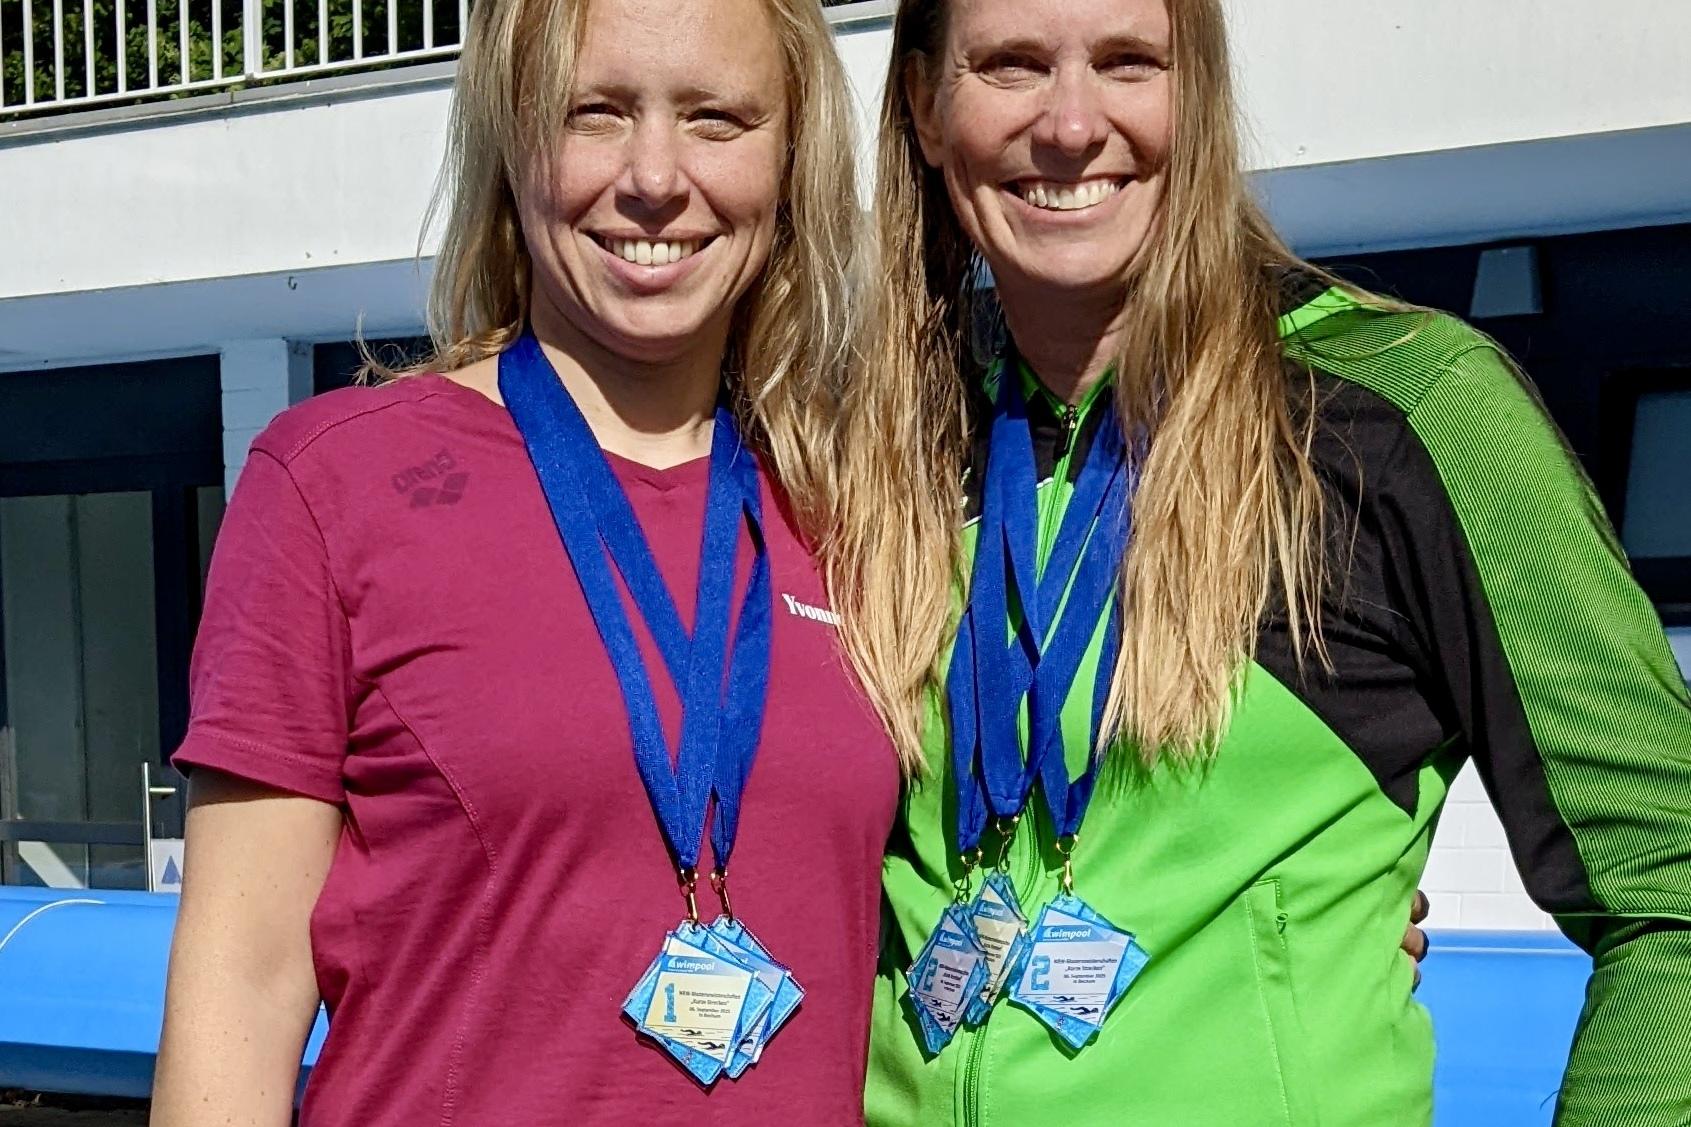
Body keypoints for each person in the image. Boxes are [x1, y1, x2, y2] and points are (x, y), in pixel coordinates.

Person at [835, 0, 1691, 1123]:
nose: (1071, 123)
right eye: (1009, 65)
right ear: (923, 104)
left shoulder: (1407, 412)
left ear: (1195, 91)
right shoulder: (872, 441)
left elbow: (1664, 882)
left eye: (1129, 62)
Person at [149, 0, 897, 1123]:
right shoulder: (334, 485)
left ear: (791, 158)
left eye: (716, 118)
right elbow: (241, 994)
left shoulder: (853, 512)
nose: (653, 176)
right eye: (593, 112)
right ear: (509, 139)